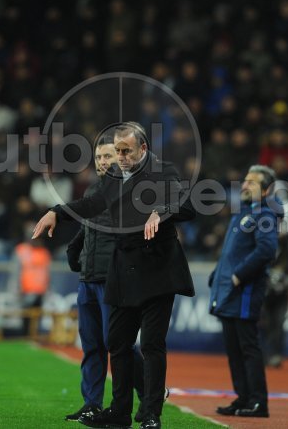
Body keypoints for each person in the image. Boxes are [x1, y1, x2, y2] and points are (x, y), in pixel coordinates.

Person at [33, 122, 195, 429]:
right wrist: (57, 211)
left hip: (158, 272)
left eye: (126, 151)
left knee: (151, 344)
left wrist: (160, 212)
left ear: (143, 150)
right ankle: (120, 412)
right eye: (117, 151)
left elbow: (187, 205)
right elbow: (91, 204)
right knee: (118, 342)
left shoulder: (163, 172)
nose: (119, 157)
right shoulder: (113, 179)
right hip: (124, 271)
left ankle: (150, 413)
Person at [64, 136, 147, 424]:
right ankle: (91, 404)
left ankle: (150, 389)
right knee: (91, 346)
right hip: (88, 278)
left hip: (113, 279)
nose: (102, 162)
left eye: (107, 156)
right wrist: (75, 250)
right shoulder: (95, 188)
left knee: (118, 343)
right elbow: (89, 227)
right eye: (98, 157)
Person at [209, 165, 282, 418]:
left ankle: (259, 402)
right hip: (231, 290)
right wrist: (217, 275)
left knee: (248, 348)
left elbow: (266, 250)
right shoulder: (245, 213)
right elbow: (234, 252)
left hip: (245, 291)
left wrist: (239, 275)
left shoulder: (265, 214)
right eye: (245, 180)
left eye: (252, 182)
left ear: (267, 190)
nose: (244, 185)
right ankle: (243, 397)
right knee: (234, 349)